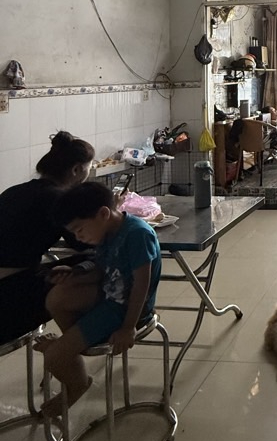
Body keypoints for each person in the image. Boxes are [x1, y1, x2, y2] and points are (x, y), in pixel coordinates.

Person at [37, 181, 162, 416]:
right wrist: (74, 273)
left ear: (103, 213)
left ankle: (77, 383)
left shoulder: (137, 234)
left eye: (79, 229)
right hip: (108, 295)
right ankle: (72, 346)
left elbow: (141, 286)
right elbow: (102, 270)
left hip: (124, 309)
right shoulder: (106, 231)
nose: (78, 236)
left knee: (53, 357)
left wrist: (128, 327)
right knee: (56, 297)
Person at [0, 131, 94, 344]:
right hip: (10, 299)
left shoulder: (13, 192)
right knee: (96, 263)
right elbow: (83, 242)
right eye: (89, 168)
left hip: (10, 285)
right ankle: (80, 341)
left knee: (67, 268)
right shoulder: (58, 199)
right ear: (76, 170)